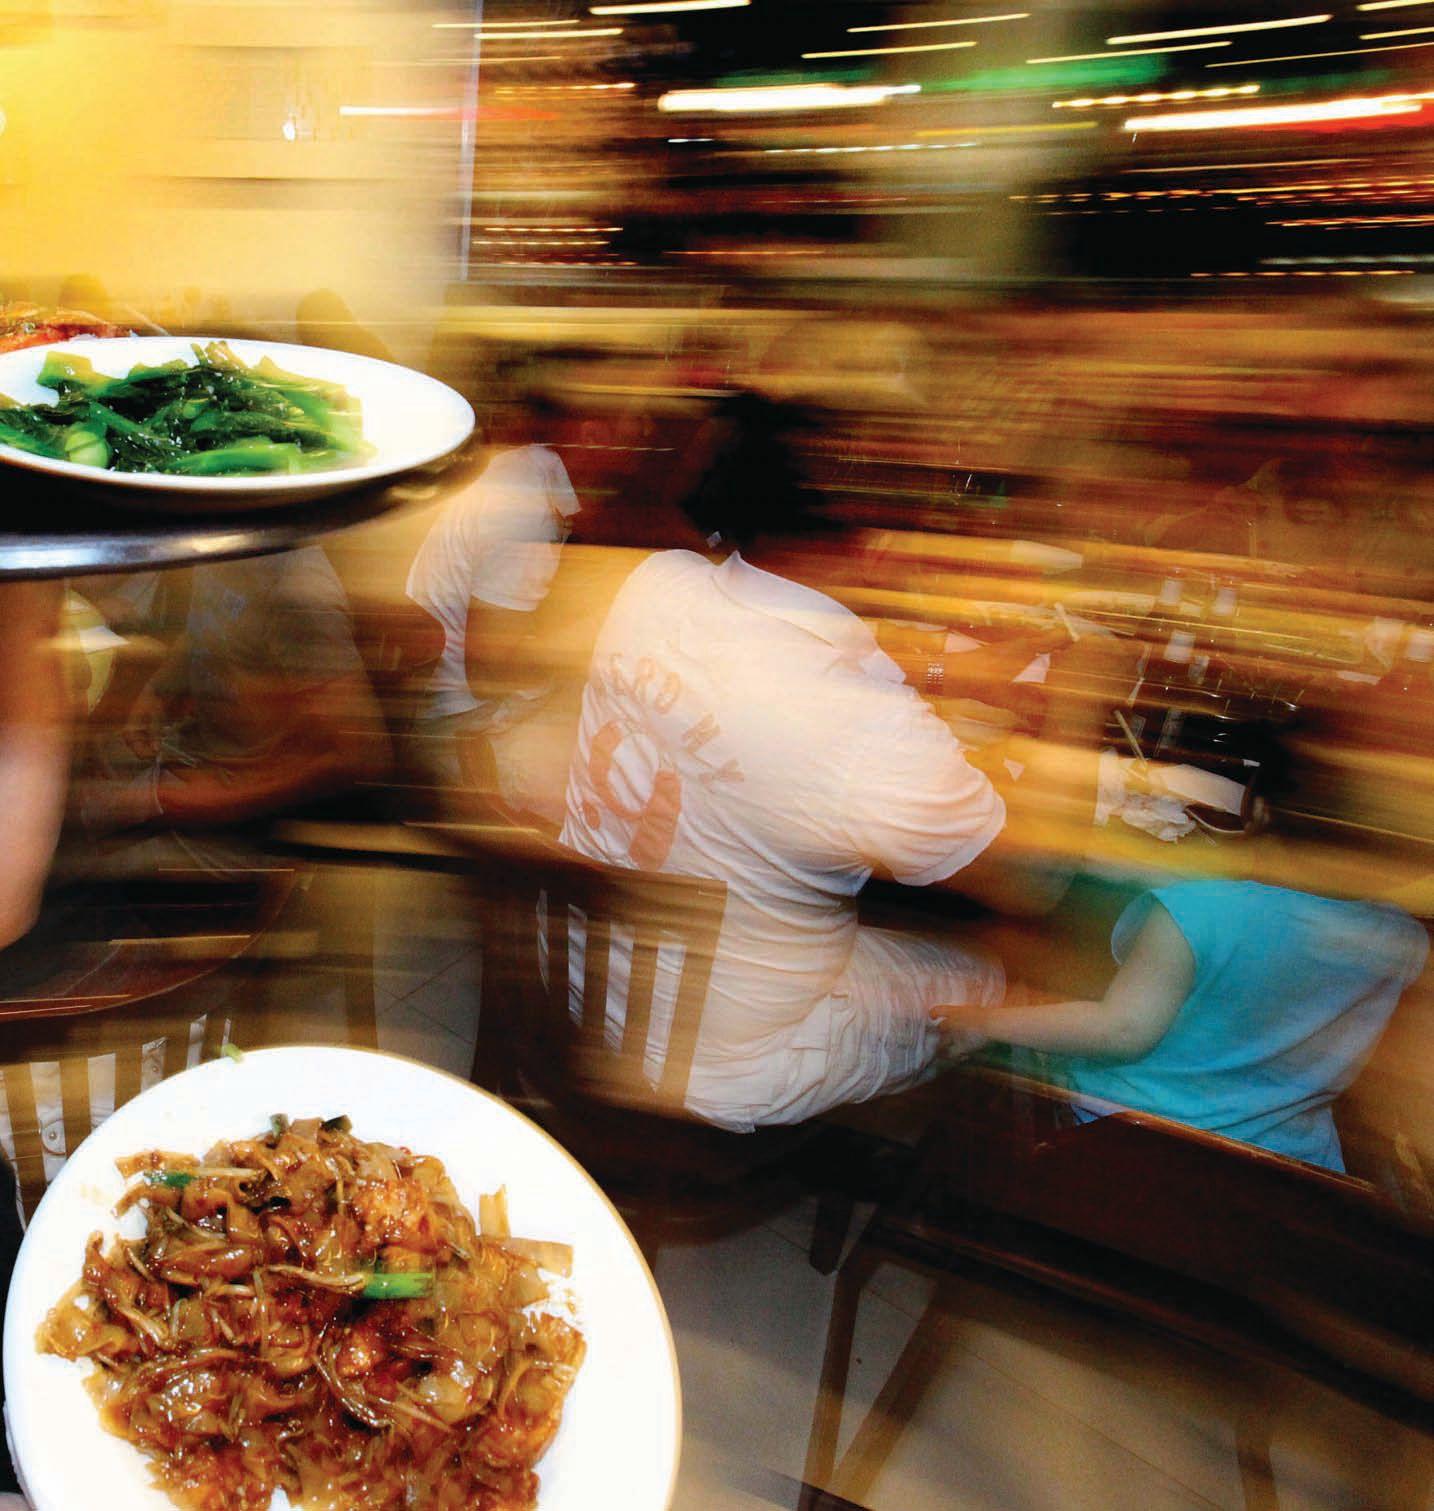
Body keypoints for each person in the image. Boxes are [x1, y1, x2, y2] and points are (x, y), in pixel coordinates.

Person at [559, 394, 1116, 1131]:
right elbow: (1035, 880)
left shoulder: (655, 581)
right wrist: (1082, 701)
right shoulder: (864, 727)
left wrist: (951, 674)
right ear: (866, 537)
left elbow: (789, 662)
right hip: (726, 1067)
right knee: (1001, 963)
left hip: (588, 989)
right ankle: (982, 1160)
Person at [936, 797, 1429, 1172]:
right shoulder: (1404, 939)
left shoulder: (1201, 910)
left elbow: (1121, 1031)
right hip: (1285, 1168)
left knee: (1023, 988)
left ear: (1259, 810)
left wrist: (984, 1022)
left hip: (1134, 1144)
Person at [405, 372, 581, 819]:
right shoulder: (523, 508)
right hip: (464, 720)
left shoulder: (536, 468)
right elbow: (488, 668)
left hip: (464, 698)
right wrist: (585, 648)